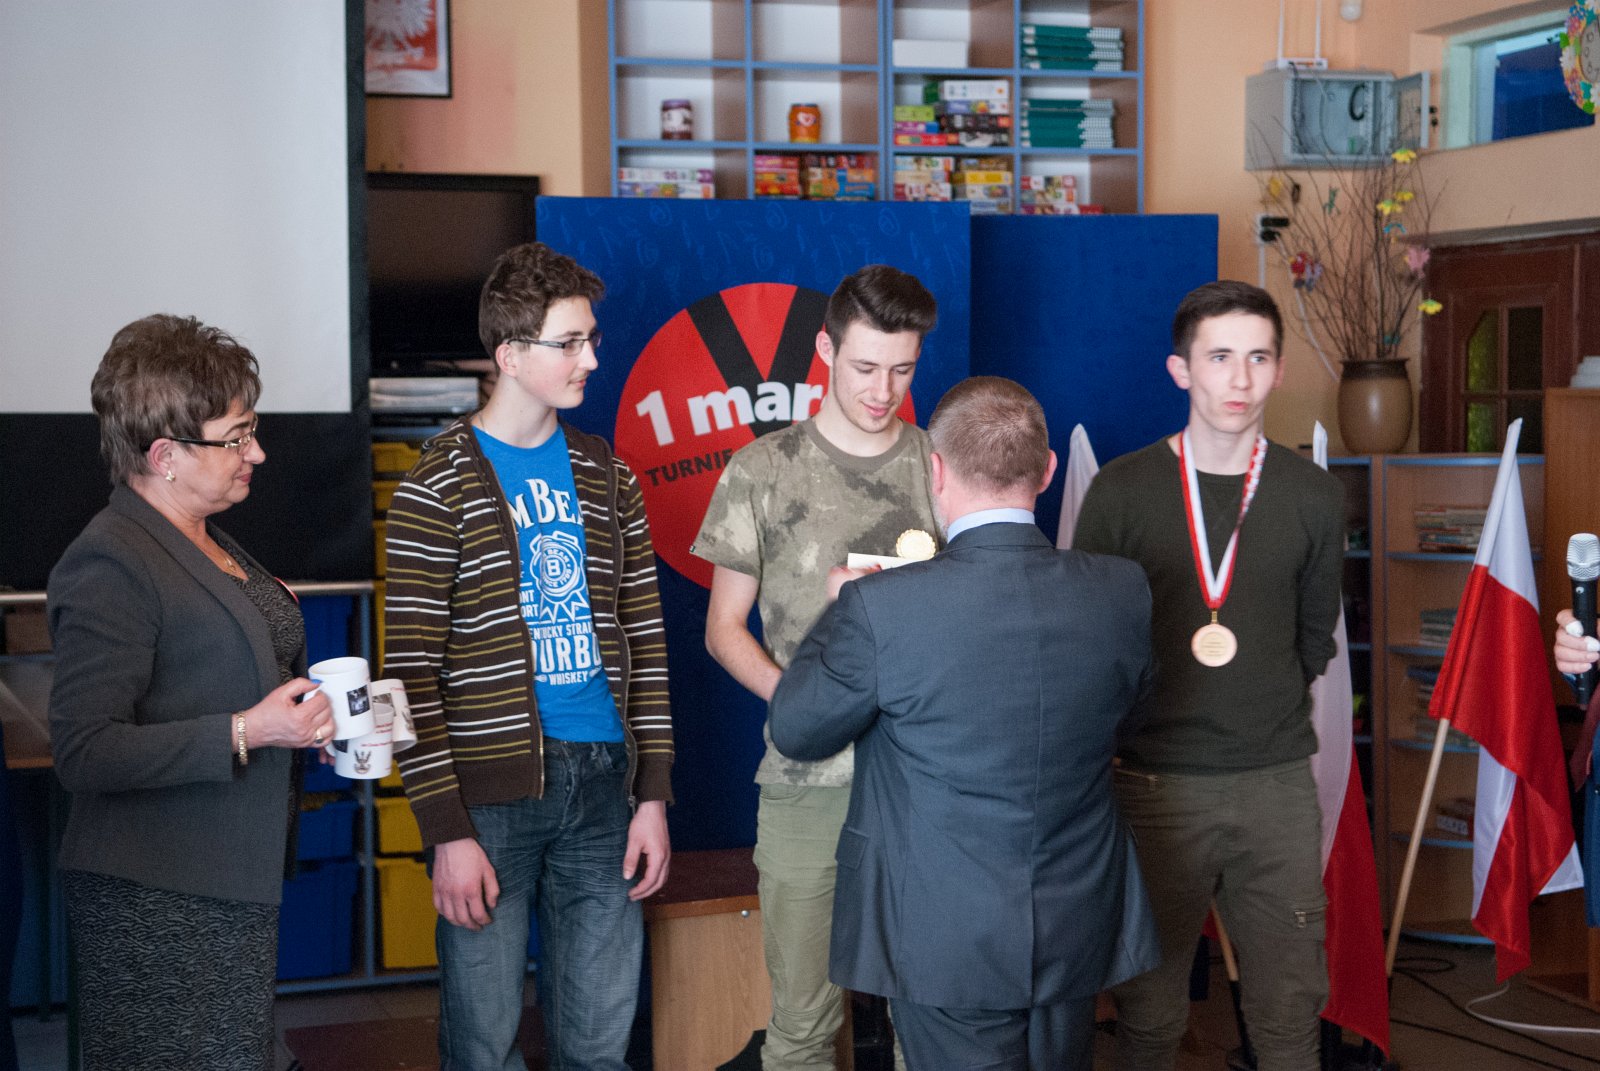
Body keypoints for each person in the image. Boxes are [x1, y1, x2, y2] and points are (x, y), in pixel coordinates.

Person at [768, 376, 1158, 1071]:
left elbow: (797, 729)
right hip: (1077, 917)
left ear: (936, 469)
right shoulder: (1123, 589)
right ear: (1047, 470)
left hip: (941, 930)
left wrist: (838, 605)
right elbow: (1135, 711)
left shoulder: (880, 607)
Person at [383, 242, 674, 1071]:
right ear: (509, 355)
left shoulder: (608, 474)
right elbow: (408, 676)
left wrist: (652, 794)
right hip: (488, 801)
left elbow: (646, 639)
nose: (593, 359)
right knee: (482, 1047)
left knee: (600, 1045)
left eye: (592, 339)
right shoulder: (436, 484)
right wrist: (446, 829)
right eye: (570, 342)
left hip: (604, 785)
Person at [47, 314, 335, 1071]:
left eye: (252, 431)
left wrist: (300, 722)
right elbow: (85, 750)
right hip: (157, 895)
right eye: (236, 438)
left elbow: (231, 674)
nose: (257, 453)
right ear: (165, 455)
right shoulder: (111, 560)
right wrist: (249, 730)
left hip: (223, 881)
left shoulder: (200, 535)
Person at [1073, 280, 1346, 1071]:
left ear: (1279, 370)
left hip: (1275, 784)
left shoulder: (1315, 495)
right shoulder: (1122, 491)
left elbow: (1314, 639)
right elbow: (1093, 641)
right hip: (1153, 784)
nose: (1239, 378)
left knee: (1289, 1014)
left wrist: (1256, 703)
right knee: (1149, 1011)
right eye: (1219, 356)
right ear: (1180, 369)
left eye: (1258, 358)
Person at [693, 263, 940, 1069]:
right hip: (807, 779)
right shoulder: (762, 468)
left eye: (902, 369)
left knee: (928, 1025)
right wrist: (803, 701)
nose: (883, 390)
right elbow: (722, 630)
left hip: (927, 782)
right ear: (826, 349)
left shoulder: (940, 463)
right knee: (801, 1026)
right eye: (865, 366)